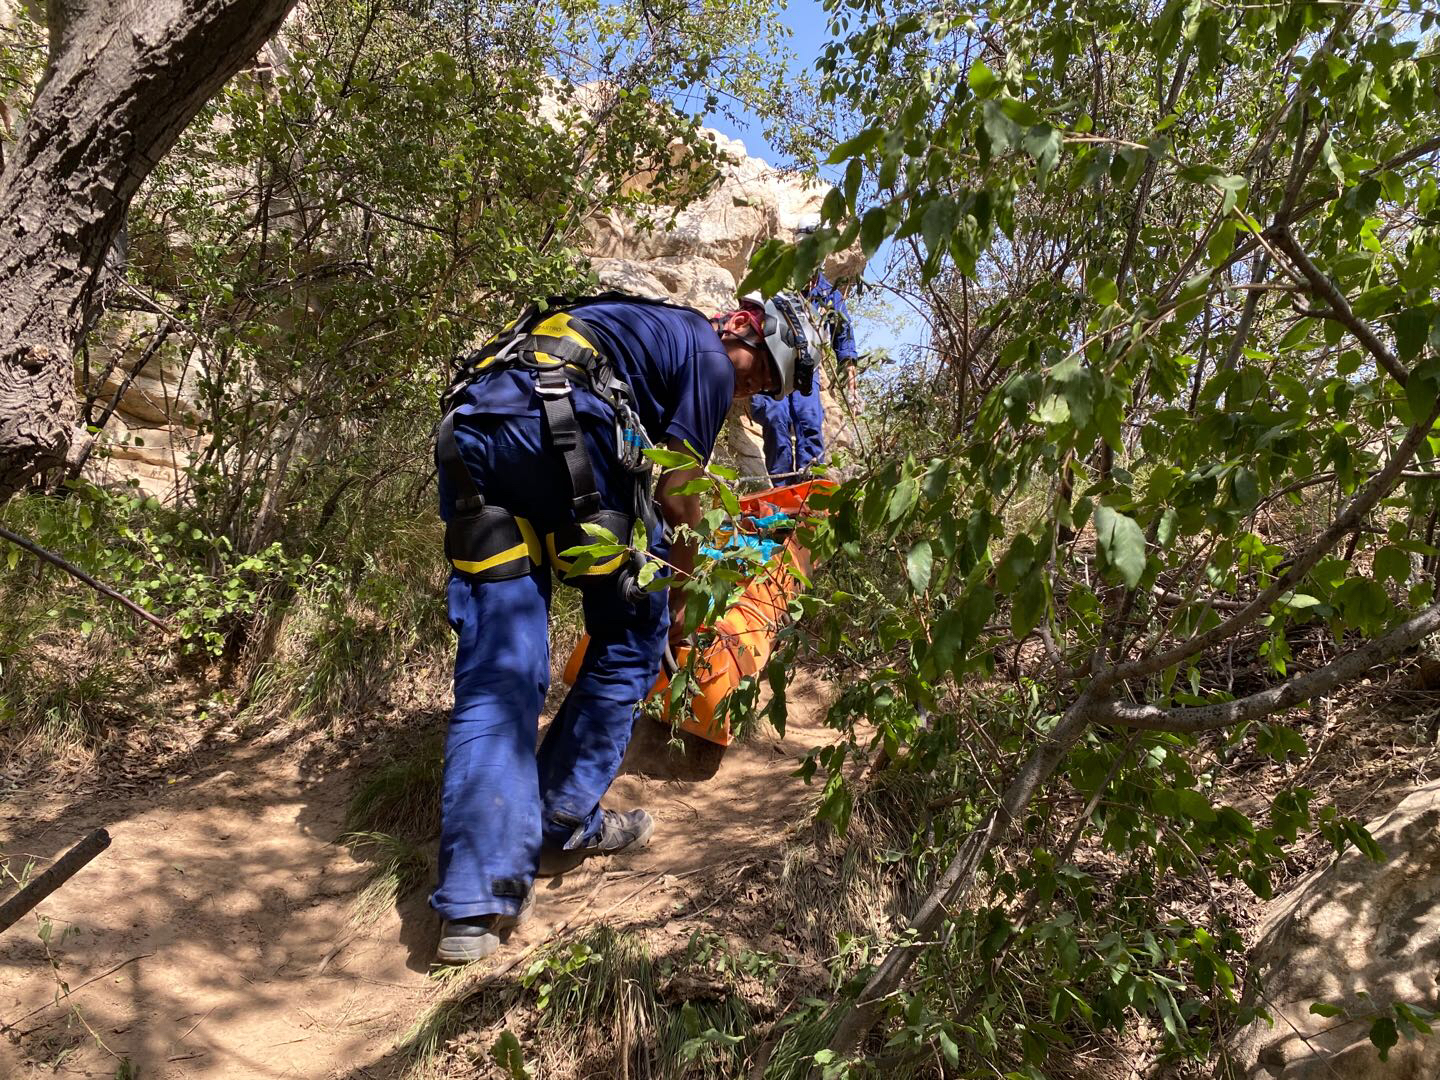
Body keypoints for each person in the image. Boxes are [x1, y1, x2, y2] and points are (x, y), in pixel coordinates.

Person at [431, 290, 821, 963]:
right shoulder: (705, 352)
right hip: (559, 437)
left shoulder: (638, 330)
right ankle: (559, 817)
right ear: (742, 333)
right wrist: (684, 598)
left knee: (504, 669)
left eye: (761, 391)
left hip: (473, 442)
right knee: (633, 631)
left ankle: (472, 905)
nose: (747, 394)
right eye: (757, 376)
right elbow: (680, 491)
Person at [748, 268, 857, 483]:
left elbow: (843, 335)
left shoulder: (827, 294)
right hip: (771, 363)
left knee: (809, 420)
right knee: (775, 419)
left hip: (805, 366)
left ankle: (810, 488)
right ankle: (782, 490)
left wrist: (851, 380)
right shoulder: (774, 283)